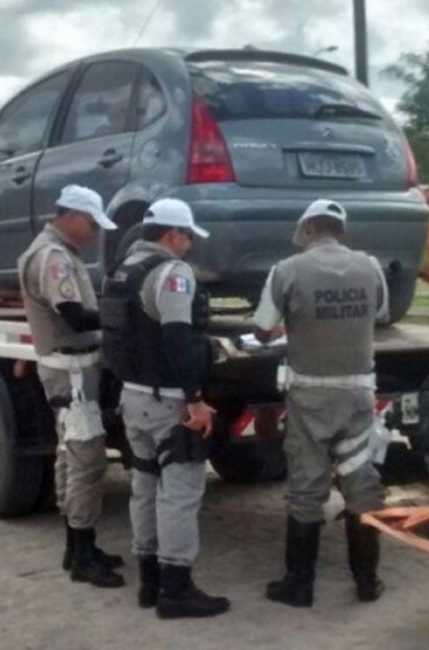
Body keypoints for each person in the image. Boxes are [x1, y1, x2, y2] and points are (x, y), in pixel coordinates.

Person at [254, 199, 389, 608]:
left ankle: (300, 585)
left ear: (308, 228)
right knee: (361, 484)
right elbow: (379, 315)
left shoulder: (287, 270)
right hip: (359, 396)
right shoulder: (370, 266)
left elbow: (262, 330)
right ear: (339, 230)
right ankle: (367, 582)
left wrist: (288, 326)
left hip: (310, 396)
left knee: (306, 489)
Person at [103, 198, 230, 619]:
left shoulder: (121, 271)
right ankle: (176, 591)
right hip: (168, 400)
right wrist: (195, 400)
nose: (191, 244)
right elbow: (177, 338)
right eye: (188, 235)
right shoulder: (172, 273)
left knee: (144, 487)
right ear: (172, 234)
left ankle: (149, 583)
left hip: (133, 396)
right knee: (179, 493)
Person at [16, 184, 125, 589]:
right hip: (72, 370)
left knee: (69, 455)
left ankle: (78, 547)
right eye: (93, 223)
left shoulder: (54, 252)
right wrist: (119, 318)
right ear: (73, 216)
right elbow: (75, 316)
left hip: (69, 367)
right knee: (86, 460)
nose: (95, 232)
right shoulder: (54, 257)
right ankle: (82, 554)